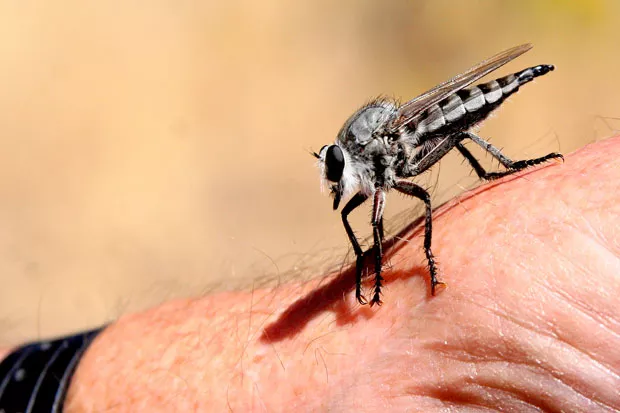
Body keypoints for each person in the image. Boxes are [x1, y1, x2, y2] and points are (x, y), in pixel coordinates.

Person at [1, 137, 618, 412]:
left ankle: (487, 183)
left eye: (337, 167)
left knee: (439, 167)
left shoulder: (382, 151)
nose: (336, 180)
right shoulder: (360, 176)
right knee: (376, 215)